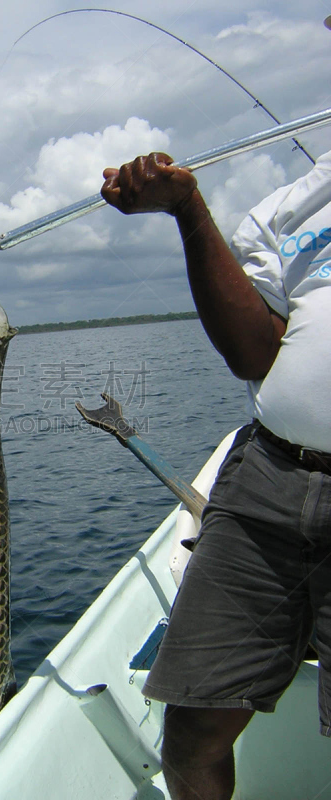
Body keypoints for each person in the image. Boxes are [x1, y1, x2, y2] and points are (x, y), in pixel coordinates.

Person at [101, 152, 331, 800]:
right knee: (194, 731)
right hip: (270, 478)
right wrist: (186, 211)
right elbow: (253, 354)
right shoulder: (290, 211)